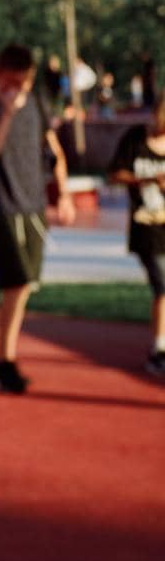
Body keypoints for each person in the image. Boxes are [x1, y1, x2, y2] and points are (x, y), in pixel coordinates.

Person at [0, 44, 77, 395]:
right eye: (16, 80)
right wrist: (7, 113)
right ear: (0, 75)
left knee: (25, 286)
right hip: (2, 206)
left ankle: (4, 360)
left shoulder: (38, 104)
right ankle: (4, 360)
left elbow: (54, 150)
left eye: (27, 81)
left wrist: (64, 194)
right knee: (17, 283)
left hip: (34, 205)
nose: (22, 87)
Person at [104, 101, 165, 377]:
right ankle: (159, 348)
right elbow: (114, 174)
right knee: (162, 285)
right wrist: (148, 180)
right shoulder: (135, 139)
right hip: (146, 226)